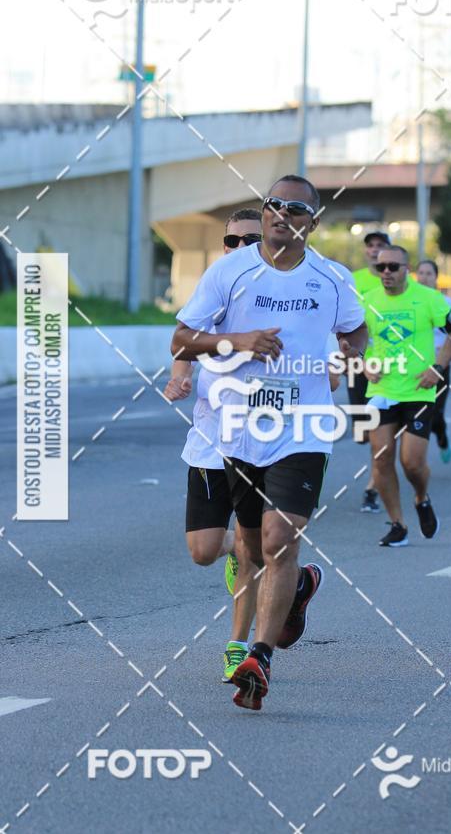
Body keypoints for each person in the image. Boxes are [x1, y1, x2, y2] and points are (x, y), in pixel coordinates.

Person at [172, 174, 367, 710]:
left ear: (313, 221)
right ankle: (298, 588)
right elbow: (183, 338)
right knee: (249, 548)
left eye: (296, 209)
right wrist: (236, 340)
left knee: (280, 538)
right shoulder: (229, 272)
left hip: (303, 427)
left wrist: (349, 352)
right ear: (264, 211)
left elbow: (356, 329)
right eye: (275, 206)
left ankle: (259, 654)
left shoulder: (331, 278)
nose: (283, 215)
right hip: (239, 429)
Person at [165, 208, 263, 683]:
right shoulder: (213, 290)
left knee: (252, 544)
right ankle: (242, 550)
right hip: (209, 444)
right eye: (233, 241)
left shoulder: (283, 295)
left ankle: (238, 647)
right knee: (203, 550)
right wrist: (179, 378)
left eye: (252, 239)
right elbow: (184, 342)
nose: (241, 248)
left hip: (263, 444)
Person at [363, 246, 451, 547]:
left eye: (393, 267)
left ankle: (421, 497)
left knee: (412, 463)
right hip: (382, 391)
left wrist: (438, 367)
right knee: (381, 459)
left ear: (407, 269)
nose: (386, 273)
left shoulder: (429, 298)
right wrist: (362, 360)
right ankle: (398, 524)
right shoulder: (368, 301)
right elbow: (350, 338)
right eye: (381, 268)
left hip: (419, 389)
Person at [350, 231, 390, 513]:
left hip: (389, 369)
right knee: (363, 432)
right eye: (371, 246)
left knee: (379, 430)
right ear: (366, 251)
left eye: (381, 246)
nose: (376, 251)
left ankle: (371, 488)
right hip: (357, 362)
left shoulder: (398, 280)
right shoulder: (355, 280)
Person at [415, 259, 451, 463]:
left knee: (435, 412)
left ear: (436, 277)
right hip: (414, 367)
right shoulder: (410, 302)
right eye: (421, 273)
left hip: (439, 365)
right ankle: (415, 459)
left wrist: (443, 358)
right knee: (416, 412)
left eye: (428, 273)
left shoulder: (445, 303)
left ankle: (441, 437)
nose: (424, 277)